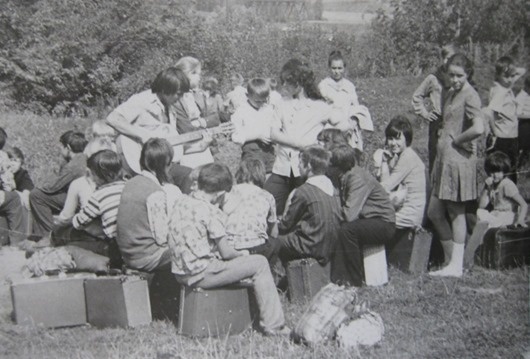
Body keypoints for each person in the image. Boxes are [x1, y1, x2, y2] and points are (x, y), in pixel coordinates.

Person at [167, 163, 289, 336]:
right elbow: (227, 253)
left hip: (180, 272)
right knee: (260, 263)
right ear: (221, 194)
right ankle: (275, 325)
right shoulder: (210, 212)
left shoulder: (181, 202)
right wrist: (243, 254)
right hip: (202, 273)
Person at [427, 53, 484, 277]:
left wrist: (458, 140)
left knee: (455, 211)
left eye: (459, 75)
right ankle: (452, 260)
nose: (455, 79)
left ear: (468, 74)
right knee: (434, 212)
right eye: (451, 74)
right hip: (444, 161)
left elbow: (479, 128)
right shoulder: (451, 92)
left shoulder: (471, 96)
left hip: (458, 162)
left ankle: (456, 266)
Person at [264, 58, 341, 215]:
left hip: (307, 167)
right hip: (282, 166)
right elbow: (273, 133)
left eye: (287, 82)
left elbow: (342, 124)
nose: (283, 86)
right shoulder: (282, 104)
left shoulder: (319, 106)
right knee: (268, 200)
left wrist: (319, 144)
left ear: (298, 83)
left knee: (305, 209)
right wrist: (300, 143)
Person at [105, 67, 193, 193]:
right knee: (188, 175)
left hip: (161, 163)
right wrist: (141, 134)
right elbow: (112, 118)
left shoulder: (171, 109)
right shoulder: (142, 100)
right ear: (165, 90)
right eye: (178, 93)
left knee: (190, 175)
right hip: (140, 162)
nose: (180, 98)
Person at [330, 145, 396, 287]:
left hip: (384, 223)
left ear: (337, 167)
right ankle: (340, 278)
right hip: (371, 220)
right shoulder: (347, 175)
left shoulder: (357, 178)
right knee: (346, 229)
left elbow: (349, 215)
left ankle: (354, 280)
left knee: (348, 230)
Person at [116, 138, 182, 272]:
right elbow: (162, 238)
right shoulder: (154, 192)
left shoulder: (130, 183)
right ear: (164, 165)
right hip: (149, 257)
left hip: (128, 253)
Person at [51, 150, 125, 263]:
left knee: (68, 245)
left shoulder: (99, 195)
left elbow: (79, 223)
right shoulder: (126, 186)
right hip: (128, 243)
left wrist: (66, 220)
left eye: (92, 175)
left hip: (113, 248)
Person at [276, 146, 341, 266]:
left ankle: (281, 278)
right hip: (331, 244)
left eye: (300, 162)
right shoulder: (333, 188)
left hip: (312, 245)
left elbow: (285, 225)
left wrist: (274, 223)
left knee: (273, 241)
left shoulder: (303, 191)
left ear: (309, 166)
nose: (298, 166)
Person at [375, 116, 426, 266]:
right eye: (390, 139)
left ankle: (375, 265)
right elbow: (386, 186)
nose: (393, 143)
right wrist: (385, 161)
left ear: (407, 138)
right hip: (403, 208)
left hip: (409, 213)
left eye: (398, 139)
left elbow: (385, 187)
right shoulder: (403, 156)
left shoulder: (408, 158)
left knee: (369, 220)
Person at [464, 151, 528, 268]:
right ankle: (472, 255)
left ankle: (468, 258)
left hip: (507, 217)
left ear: (504, 171)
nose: (495, 175)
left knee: (481, 225)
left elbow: (523, 204)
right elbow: (482, 205)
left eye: (498, 172)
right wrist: (486, 188)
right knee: (477, 214)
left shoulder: (507, 184)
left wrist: (520, 220)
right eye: (492, 172)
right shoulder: (492, 185)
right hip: (496, 215)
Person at [29, 130, 88, 241]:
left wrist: (40, 185)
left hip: (79, 202)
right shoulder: (83, 158)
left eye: (61, 147)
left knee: (36, 195)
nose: (60, 150)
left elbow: (50, 187)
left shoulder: (72, 166)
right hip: (84, 199)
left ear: (68, 148)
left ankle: (47, 236)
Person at [411, 44, 456, 173]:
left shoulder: (457, 78)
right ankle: (434, 190)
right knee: (435, 158)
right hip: (437, 121)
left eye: (452, 58)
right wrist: (425, 113)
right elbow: (417, 96)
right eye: (446, 57)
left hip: (453, 122)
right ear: (442, 59)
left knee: (451, 157)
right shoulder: (434, 78)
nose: (448, 61)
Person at [223, 159, 278, 261]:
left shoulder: (228, 192)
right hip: (256, 247)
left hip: (228, 246)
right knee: (274, 242)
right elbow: (274, 231)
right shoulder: (267, 195)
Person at [318, 50, 373, 150]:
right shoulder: (324, 85)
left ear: (344, 68)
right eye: (334, 68)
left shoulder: (349, 86)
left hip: (348, 126)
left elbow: (357, 108)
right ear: (329, 68)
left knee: (347, 154)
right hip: (331, 127)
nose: (337, 71)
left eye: (340, 68)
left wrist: (353, 123)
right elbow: (320, 108)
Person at [485, 56, 526, 182]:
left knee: (507, 172)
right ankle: (504, 199)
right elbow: (489, 112)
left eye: (512, 76)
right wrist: (495, 132)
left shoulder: (504, 87)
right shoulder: (500, 92)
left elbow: (522, 70)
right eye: (506, 76)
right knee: (505, 173)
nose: (510, 80)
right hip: (503, 139)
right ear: (498, 74)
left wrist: (509, 70)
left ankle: (506, 199)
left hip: (509, 138)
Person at [173, 56, 219, 168]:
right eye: (195, 73)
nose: (199, 77)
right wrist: (204, 127)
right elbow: (185, 128)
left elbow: (215, 117)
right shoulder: (175, 99)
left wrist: (201, 122)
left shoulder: (196, 95)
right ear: (185, 75)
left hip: (203, 144)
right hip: (189, 148)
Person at [231, 78, 276, 174]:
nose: (261, 104)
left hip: (269, 150)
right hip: (251, 151)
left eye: (264, 101)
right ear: (247, 95)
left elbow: (274, 127)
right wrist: (257, 136)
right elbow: (236, 137)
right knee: (253, 177)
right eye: (257, 101)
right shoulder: (241, 111)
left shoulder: (269, 110)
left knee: (270, 176)